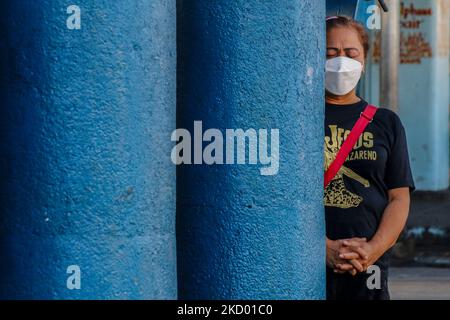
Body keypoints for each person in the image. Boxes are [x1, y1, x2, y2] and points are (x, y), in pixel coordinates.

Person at [324, 16, 416, 300]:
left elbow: (399, 197)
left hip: (368, 265)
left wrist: (373, 249)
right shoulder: (299, 121)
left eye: (351, 54)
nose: (341, 62)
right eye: (330, 54)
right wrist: (321, 248)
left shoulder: (386, 122)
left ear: (363, 63)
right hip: (309, 262)